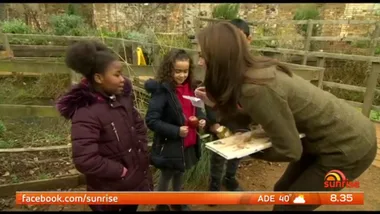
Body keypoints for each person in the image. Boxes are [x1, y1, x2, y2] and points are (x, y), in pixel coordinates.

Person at [194, 22, 377, 211]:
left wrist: (242, 148)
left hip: (350, 147)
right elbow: (254, 112)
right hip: (322, 140)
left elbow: (290, 150)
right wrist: (216, 103)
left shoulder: (256, 88)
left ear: (219, 57)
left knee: (289, 206)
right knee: (282, 190)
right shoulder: (251, 73)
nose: (199, 62)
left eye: (202, 56)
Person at [56, 40, 153, 212]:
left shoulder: (122, 98)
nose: (123, 79)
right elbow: (85, 160)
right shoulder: (86, 113)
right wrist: (121, 171)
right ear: (99, 78)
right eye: (117, 75)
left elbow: (138, 125)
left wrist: (141, 151)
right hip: (109, 192)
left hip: (133, 184)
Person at [144, 49, 207, 212]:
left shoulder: (192, 87)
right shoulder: (162, 91)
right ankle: (161, 204)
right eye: (177, 71)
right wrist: (176, 130)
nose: (182, 75)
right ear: (169, 70)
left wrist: (201, 119)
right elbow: (151, 120)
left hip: (189, 141)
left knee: (181, 171)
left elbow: (197, 108)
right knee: (167, 175)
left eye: (185, 71)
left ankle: (178, 201)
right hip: (170, 143)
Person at [202, 18, 252, 193]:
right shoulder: (219, 64)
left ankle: (230, 179)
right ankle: (214, 186)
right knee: (219, 154)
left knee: (237, 151)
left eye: (241, 38)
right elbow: (209, 94)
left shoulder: (251, 67)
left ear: (249, 40)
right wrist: (213, 122)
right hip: (221, 118)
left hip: (241, 118)